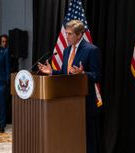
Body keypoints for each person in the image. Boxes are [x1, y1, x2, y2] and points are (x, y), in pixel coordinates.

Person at [38, 20, 101, 153]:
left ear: (79, 35)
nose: (66, 37)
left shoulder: (92, 50)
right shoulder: (66, 50)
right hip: (68, 103)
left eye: (70, 34)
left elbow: (97, 76)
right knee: (72, 136)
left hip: (85, 102)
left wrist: (83, 73)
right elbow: (64, 73)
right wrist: (51, 72)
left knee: (88, 139)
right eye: (66, 34)